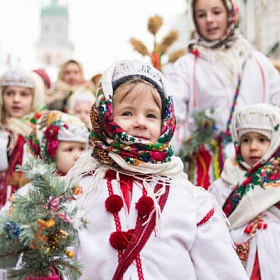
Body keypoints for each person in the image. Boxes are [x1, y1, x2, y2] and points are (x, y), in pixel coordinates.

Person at [66, 59, 248, 279]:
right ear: (105, 116)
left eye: (151, 115)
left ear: (165, 121)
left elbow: (222, 270)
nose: (140, 122)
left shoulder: (190, 199)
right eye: (127, 113)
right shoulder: (79, 191)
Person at [163, 0, 280, 189]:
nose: (209, 20)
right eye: (201, 15)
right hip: (208, 174)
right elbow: (171, 118)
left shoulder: (257, 62)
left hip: (260, 169)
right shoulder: (185, 67)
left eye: (216, 12)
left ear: (230, 14)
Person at [209, 103, 280, 279]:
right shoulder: (223, 184)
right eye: (246, 140)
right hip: (234, 264)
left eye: (262, 140)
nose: (253, 147)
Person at [0, 67, 46, 208]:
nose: (16, 100)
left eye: (24, 94)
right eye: (10, 93)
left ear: (34, 97)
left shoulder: (41, 128)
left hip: (32, 197)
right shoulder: (2, 127)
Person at [27, 110, 90, 175]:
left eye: (82, 149)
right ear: (49, 153)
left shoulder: (92, 182)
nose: (78, 156)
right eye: (69, 149)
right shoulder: (37, 184)